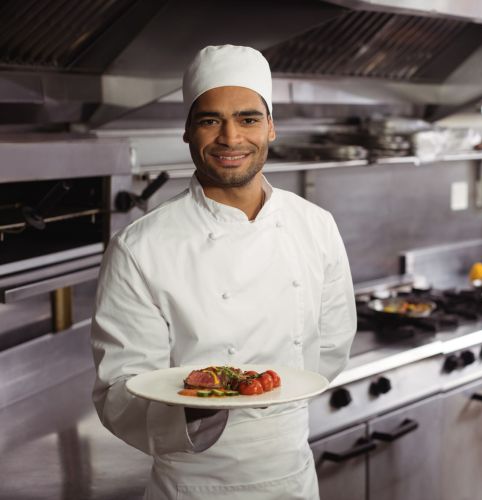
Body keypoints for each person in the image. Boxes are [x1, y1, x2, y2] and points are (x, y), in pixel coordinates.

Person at [91, 45, 357, 500]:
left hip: (291, 472)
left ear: (271, 127)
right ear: (188, 131)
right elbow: (120, 391)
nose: (231, 138)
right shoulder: (141, 246)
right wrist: (201, 411)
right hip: (193, 482)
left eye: (249, 119)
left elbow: (331, 350)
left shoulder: (315, 226)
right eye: (210, 120)